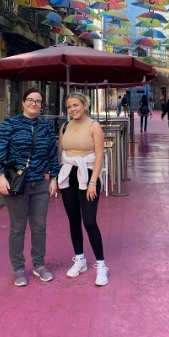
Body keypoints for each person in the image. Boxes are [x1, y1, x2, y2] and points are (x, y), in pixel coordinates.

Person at [0, 87, 59, 287]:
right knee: (17, 227)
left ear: (41, 106)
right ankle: (19, 268)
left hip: (40, 182)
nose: (34, 104)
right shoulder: (10, 124)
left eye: (38, 101)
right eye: (30, 100)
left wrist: (53, 178)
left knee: (39, 226)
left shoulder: (46, 127)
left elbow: (52, 155)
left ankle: (39, 265)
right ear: (23, 102)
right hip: (16, 183)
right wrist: (0, 176)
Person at [58, 92, 109, 286]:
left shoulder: (94, 126)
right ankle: (80, 259)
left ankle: (101, 265)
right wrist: (55, 178)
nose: (72, 109)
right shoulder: (65, 126)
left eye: (76, 105)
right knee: (73, 220)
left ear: (85, 105)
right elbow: (61, 154)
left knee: (89, 221)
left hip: (87, 175)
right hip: (68, 175)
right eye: (69, 106)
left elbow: (99, 156)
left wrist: (93, 182)